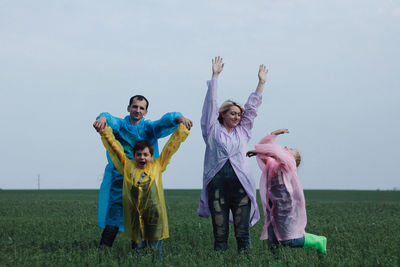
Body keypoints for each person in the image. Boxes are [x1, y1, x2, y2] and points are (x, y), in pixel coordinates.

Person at [93, 95, 192, 249]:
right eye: (135, 106)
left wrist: (180, 119)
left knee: (143, 216)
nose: (137, 110)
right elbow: (109, 119)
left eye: (141, 108)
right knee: (114, 215)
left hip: (146, 181)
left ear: (146, 112)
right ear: (128, 108)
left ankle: (139, 252)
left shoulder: (149, 128)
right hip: (121, 178)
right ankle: (103, 251)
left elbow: (165, 122)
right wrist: (102, 119)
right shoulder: (120, 126)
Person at [198, 56, 267, 253]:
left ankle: (245, 260)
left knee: (242, 232)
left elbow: (252, 110)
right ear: (223, 115)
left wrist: (260, 83)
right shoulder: (212, 129)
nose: (237, 116)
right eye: (233, 113)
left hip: (241, 187)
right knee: (220, 234)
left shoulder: (243, 131)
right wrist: (215, 76)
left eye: (239, 114)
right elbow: (211, 103)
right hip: (217, 186)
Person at [246, 129, 327, 258]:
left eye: (290, 150)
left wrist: (259, 151)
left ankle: (318, 241)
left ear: (293, 159)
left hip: (285, 209)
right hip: (273, 209)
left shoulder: (288, 165)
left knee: (288, 240)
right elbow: (265, 149)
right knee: (272, 239)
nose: (286, 147)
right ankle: (276, 261)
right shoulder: (273, 164)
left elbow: (274, 153)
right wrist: (273, 134)